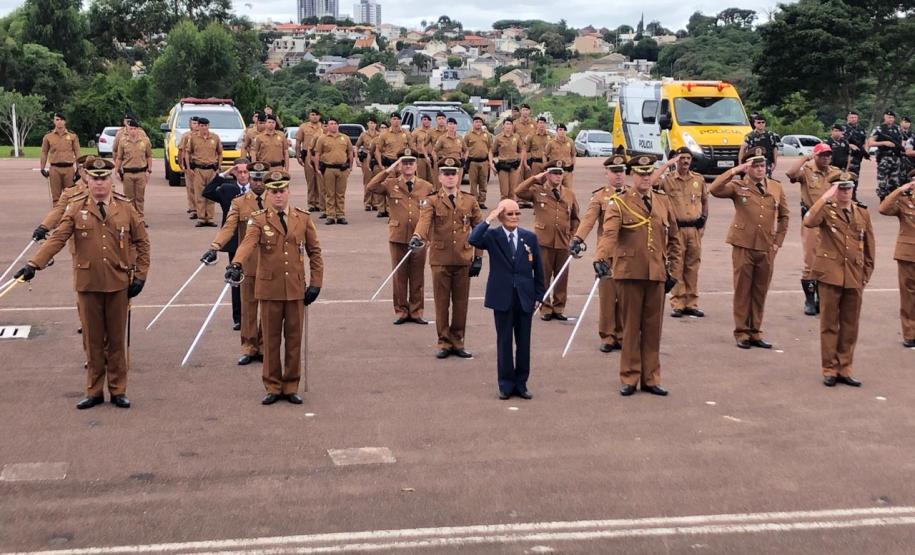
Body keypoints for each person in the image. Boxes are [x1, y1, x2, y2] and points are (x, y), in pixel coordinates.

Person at [15, 157, 150, 409]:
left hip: (119, 283)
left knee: (117, 341)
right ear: (86, 179)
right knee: (93, 340)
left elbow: (142, 242)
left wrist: (141, 275)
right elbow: (57, 238)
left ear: (111, 180)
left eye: (104, 178)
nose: (99, 183)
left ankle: (118, 389)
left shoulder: (126, 207)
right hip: (88, 284)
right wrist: (34, 264)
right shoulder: (76, 207)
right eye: (95, 178)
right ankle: (94, 390)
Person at [226, 170, 323, 405]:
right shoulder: (258, 219)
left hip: (295, 288)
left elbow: (315, 252)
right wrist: (236, 264)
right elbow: (248, 243)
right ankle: (272, 385)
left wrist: (316, 283)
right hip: (269, 288)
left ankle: (290, 385)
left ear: (288, 192)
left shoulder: (302, 218)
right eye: (274, 192)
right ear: (268, 194)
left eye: (282, 191)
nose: (278, 196)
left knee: (293, 339)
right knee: (270, 340)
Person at [594, 155, 682, 396]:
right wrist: (600, 258)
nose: (645, 178)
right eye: (641, 174)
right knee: (631, 328)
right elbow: (609, 235)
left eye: (648, 173)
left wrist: (674, 270)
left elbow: (674, 238)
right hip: (630, 274)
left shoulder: (663, 202)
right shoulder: (618, 203)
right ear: (633, 175)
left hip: (656, 274)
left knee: (653, 329)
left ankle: (651, 378)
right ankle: (630, 376)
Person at [710, 155, 790, 349]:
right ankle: (741, 331)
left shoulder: (775, 187)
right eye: (755, 166)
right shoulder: (738, 186)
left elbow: (784, 216)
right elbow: (714, 189)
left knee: (760, 291)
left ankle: (755, 330)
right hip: (743, 244)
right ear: (748, 168)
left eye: (762, 166)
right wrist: (735, 171)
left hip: (766, 246)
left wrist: (778, 242)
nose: (760, 169)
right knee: (743, 290)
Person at [469, 199, 545, 400]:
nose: (514, 217)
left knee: (524, 343)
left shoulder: (529, 237)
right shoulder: (493, 236)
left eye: (517, 213)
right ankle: (505, 384)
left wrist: (539, 295)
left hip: (524, 297)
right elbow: (473, 240)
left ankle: (521, 384)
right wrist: (489, 219)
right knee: (504, 342)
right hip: (502, 296)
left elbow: (539, 269)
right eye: (510, 214)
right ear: (501, 216)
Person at [803, 181, 875, 387]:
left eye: (848, 188)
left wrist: (865, 274)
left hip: (854, 275)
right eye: (840, 188)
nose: (845, 192)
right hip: (830, 274)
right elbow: (809, 221)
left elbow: (870, 246)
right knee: (829, 324)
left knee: (850, 325)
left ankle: (845, 367)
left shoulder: (862, 213)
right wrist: (825, 197)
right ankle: (829, 368)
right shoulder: (826, 210)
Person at [411, 158, 483, 359]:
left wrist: (478, 257)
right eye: (446, 174)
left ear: (458, 176)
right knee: (442, 303)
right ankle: (444, 342)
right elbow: (424, 222)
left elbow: (480, 228)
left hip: (463, 257)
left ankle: (458, 341)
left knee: (461, 303)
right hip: (440, 259)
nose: (450, 177)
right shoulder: (432, 200)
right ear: (440, 177)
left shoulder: (470, 200)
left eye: (453, 174)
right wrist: (417, 237)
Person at [203, 160, 267, 363]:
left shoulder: (275, 201)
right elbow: (229, 227)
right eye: (254, 178)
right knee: (248, 307)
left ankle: (265, 347)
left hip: (269, 263)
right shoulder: (239, 203)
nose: (257, 183)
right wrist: (215, 247)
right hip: (247, 262)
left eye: (260, 179)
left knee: (268, 308)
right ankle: (249, 347)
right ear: (250, 178)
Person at [367, 154, 434, 324]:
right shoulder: (391, 184)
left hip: (419, 237)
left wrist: (430, 236)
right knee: (399, 276)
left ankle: (416, 311)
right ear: (399, 165)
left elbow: (433, 213)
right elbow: (371, 186)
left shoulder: (426, 186)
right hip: (398, 236)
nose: (408, 166)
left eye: (411, 163)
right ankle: (401, 311)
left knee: (418, 275)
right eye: (404, 163)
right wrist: (388, 170)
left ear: (416, 165)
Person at [570, 154, 628, 352]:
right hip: (607, 255)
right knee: (607, 298)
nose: (618, 175)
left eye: (621, 171)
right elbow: (588, 220)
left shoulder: (633, 195)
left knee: (626, 297)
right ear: (607, 173)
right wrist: (577, 239)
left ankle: (622, 335)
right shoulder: (600, 196)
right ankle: (608, 336)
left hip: (628, 255)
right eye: (614, 172)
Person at [786, 143, 845, 316]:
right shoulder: (807, 171)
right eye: (822, 155)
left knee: (830, 260)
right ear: (815, 156)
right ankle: (810, 299)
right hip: (812, 221)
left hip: (831, 222)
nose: (826, 158)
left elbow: (847, 187)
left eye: (828, 155)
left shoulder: (835, 172)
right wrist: (805, 158)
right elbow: (790, 174)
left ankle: (823, 298)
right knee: (811, 261)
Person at [516, 162, 580, 321]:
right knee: (543, 276)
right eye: (554, 173)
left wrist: (573, 235)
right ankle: (545, 307)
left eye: (560, 173)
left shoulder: (569, 194)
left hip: (563, 241)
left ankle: (559, 307)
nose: (558, 176)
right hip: (543, 241)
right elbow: (518, 191)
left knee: (562, 276)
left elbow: (575, 218)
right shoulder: (538, 191)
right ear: (547, 174)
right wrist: (534, 178)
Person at [650, 147, 708, 318]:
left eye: (688, 158)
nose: (685, 161)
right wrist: (667, 164)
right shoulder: (667, 180)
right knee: (676, 265)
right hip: (676, 230)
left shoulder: (698, 179)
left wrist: (704, 221)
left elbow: (704, 201)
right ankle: (678, 303)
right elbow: (651, 180)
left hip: (694, 229)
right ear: (676, 160)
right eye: (682, 158)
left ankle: (691, 303)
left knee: (692, 266)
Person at [202, 159, 250, 332]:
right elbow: (207, 192)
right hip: (234, 241)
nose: (243, 175)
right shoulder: (227, 189)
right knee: (236, 279)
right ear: (235, 173)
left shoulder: (259, 190)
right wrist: (223, 174)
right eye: (240, 172)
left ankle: (254, 315)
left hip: (254, 242)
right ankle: (239, 318)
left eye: (246, 172)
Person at [878, 177, 915, 348]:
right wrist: (900, 190)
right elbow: (884, 209)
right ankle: (910, 334)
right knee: (908, 297)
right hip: (908, 254)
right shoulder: (904, 201)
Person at [313, 117, 354, 225]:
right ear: (327, 125)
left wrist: (350, 167)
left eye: (335, 123)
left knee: (340, 193)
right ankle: (330, 215)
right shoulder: (322, 138)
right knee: (330, 193)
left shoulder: (345, 138)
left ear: (338, 125)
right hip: (328, 169)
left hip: (342, 169)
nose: (333, 125)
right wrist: (317, 168)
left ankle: (340, 215)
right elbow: (317, 154)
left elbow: (350, 152)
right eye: (331, 123)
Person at [185, 117, 223, 227]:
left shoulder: (215, 138)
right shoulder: (193, 138)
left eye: (206, 125)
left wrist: (218, 167)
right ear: (198, 126)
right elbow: (188, 152)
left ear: (208, 126)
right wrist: (188, 167)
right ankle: (201, 218)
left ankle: (210, 218)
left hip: (211, 169)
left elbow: (220, 152)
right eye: (201, 126)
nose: (204, 128)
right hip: (198, 169)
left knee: (211, 193)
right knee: (200, 194)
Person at [113, 119, 153, 220]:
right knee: (128, 198)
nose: (133, 131)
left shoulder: (145, 141)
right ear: (128, 129)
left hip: (141, 172)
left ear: (138, 130)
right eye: (131, 129)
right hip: (128, 173)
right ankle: (130, 219)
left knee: (140, 197)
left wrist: (149, 171)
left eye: (135, 129)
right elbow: (119, 158)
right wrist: (116, 170)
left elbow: (149, 156)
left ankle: (140, 218)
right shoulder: (123, 142)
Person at [374, 113, 411, 217]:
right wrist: (380, 164)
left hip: (402, 164)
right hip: (389, 164)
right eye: (394, 119)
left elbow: (412, 148)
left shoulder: (406, 134)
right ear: (390, 120)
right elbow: (379, 150)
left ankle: (402, 210)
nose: (396, 121)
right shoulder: (384, 135)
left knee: (403, 187)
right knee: (391, 188)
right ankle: (391, 212)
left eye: (398, 119)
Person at [39, 113, 80, 204]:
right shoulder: (48, 136)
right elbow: (44, 152)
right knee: (56, 198)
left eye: (61, 120)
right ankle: (57, 217)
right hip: (55, 169)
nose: (59, 122)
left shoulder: (72, 136)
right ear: (54, 121)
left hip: (69, 169)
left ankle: (69, 216)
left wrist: (79, 169)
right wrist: (42, 168)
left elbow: (77, 153)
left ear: (65, 121)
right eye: (57, 119)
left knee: (70, 196)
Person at [868, 110, 906, 201]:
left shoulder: (898, 128)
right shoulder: (879, 129)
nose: (890, 119)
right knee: (882, 181)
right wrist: (884, 143)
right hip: (884, 157)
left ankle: (892, 201)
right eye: (889, 117)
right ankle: (882, 199)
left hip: (896, 157)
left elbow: (903, 141)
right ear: (884, 117)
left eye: (892, 117)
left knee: (895, 181)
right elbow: (870, 143)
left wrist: (902, 147)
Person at [294, 109, 325, 213]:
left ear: (319, 117)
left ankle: (321, 204)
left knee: (320, 180)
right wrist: (298, 156)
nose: (314, 117)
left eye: (317, 115)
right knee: (311, 180)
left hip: (321, 156)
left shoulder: (324, 127)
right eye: (312, 115)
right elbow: (298, 142)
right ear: (309, 116)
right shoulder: (303, 127)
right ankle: (312, 203)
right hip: (308, 155)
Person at [463, 116, 493, 206]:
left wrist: (490, 162)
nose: (478, 123)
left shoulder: (487, 135)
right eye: (476, 122)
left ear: (482, 123)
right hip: (473, 162)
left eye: (480, 122)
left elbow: (490, 148)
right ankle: (474, 202)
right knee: (473, 183)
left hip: (484, 162)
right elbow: (464, 149)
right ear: (473, 123)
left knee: (483, 182)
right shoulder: (468, 135)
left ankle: (482, 201)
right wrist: (464, 161)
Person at [492, 118, 523, 202]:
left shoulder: (516, 137)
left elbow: (521, 150)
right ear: (503, 126)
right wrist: (492, 165)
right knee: (504, 192)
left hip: (514, 165)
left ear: (512, 126)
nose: (508, 126)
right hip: (503, 166)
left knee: (512, 192)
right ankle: (503, 211)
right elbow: (492, 152)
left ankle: (512, 210)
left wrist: (520, 165)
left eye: (510, 124)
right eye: (507, 124)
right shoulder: (498, 138)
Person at [356, 118, 380, 211]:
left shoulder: (380, 135)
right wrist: (357, 158)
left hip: (376, 159)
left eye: (374, 123)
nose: (372, 125)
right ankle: (367, 202)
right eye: (370, 123)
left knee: (377, 180)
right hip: (366, 159)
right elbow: (357, 146)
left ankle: (375, 202)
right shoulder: (363, 135)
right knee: (367, 181)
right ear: (367, 124)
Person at [178, 116, 200, 219]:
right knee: (190, 187)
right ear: (190, 124)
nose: (196, 125)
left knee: (200, 187)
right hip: (189, 164)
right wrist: (181, 163)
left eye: (197, 123)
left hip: (200, 164)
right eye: (194, 123)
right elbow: (181, 150)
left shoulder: (203, 136)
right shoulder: (186, 136)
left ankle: (201, 207)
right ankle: (193, 208)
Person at [843, 111, 868, 200]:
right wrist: (849, 145)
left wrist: (866, 151)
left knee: (855, 177)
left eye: (855, 117)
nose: (853, 119)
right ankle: (843, 196)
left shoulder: (860, 129)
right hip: (846, 157)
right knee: (844, 176)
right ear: (847, 118)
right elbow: (840, 141)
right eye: (851, 117)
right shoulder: (843, 129)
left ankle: (853, 196)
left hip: (857, 157)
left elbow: (865, 141)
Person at [433, 117, 465, 185]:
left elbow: (466, 150)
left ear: (456, 126)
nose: (452, 126)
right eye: (450, 124)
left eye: (454, 124)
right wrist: (437, 161)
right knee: (446, 185)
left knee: (457, 186)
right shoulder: (442, 138)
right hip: (447, 164)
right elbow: (434, 151)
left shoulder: (460, 138)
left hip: (458, 164)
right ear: (447, 126)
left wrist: (464, 158)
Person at [543, 124, 576, 188]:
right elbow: (545, 154)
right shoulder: (551, 142)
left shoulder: (570, 142)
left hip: (567, 171)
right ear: (557, 131)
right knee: (555, 190)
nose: (562, 132)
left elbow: (573, 154)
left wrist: (573, 165)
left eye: (564, 130)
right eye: (560, 130)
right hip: (555, 171)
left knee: (568, 191)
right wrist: (545, 166)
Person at [410, 114, 435, 182]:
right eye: (424, 119)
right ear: (421, 121)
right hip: (420, 158)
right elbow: (412, 143)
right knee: (421, 178)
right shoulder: (416, 131)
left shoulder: (434, 131)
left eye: (428, 120)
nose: (426, 121)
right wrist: (415, 154)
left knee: (432, 178)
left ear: (430, 121)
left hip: (431, 157)